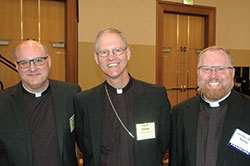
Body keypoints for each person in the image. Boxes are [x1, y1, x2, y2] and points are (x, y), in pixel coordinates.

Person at [74, 28, 171, 166]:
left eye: (117, 50)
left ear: (128, 53)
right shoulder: (84, 102)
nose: (111, 57)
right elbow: (87, 148)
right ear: (96, 59)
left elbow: (162, 144)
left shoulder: (155, 96)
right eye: (104, 52)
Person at [0, 40, 81, 166]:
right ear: (17, 66)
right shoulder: (3, 102)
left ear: (48, 61)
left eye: (38, 60)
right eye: (24, 63)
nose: (32, 68)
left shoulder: (70, 94)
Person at [170, 46, 250, 166]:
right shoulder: (180, 112)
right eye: (206, 69)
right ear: (198, 72)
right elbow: (176, 160)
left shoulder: (247, 109)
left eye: (220, 69)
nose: (213, 75)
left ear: (232, 73)